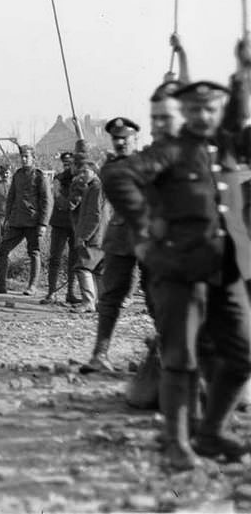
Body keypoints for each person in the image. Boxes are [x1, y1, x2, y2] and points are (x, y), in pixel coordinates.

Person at [102, 64, 251, 470]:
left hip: (227, 269)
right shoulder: (168, 151)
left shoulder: (227, 145)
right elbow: (120, 181)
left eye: (211, 109)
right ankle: (178, 442)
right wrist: (148, 230)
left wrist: (244, 74)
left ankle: (211, 431)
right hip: (179, 268)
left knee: (241, 353)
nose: (204, 116)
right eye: (195, 110)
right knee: (179, 356)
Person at [80, 117, 145, 368]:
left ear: (135, 139)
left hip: (151, 237)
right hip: (122, 238)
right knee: (110, 297)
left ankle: (162, 353)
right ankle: (100, 354)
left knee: (159, 297)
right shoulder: (111, 168)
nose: (120, 143)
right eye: (116, 139)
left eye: (125, 139)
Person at [0, 144, 51, 295]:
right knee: (3, 249)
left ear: (33, 158)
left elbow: (47, 201)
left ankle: (32, 286)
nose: (24, 159)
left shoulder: (40, 176)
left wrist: (43, 224)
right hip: (16, 221)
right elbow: (11, 199)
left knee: (34, 252)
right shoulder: (17, 175)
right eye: (22, 156)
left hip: (33, 222)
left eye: (27, 156)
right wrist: (8, 218)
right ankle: (0, 284)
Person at [69, 150, 106, 315]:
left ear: (94, 171)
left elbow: (94, 216)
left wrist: (83, 237)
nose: (82, 175)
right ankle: (102, 303)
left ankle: (88, 302)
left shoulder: (96, 189)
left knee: (82, 267)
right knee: (98, 270)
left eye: (85, 171)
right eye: (80, 171)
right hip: (101, 237)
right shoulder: (94, 188)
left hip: (94, 237)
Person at [44, 152, 77, 305]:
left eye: (70, 163)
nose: (67, 166)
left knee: (74, 260)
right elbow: (58, 200)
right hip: (59, 223)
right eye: (65, 164)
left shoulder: (80, 180)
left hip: (75, 225)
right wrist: (72, 203)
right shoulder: (58, 179)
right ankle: (51, 293)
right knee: (55, 258)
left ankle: (70, 292)